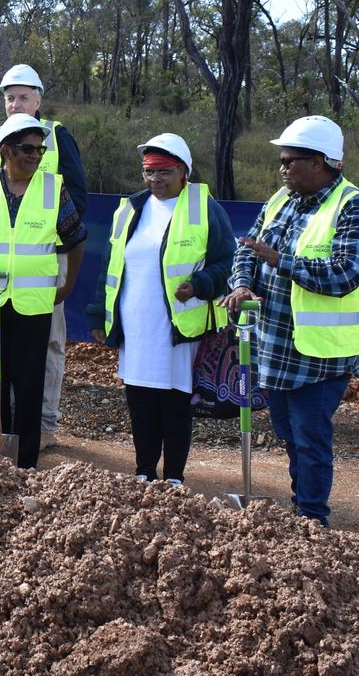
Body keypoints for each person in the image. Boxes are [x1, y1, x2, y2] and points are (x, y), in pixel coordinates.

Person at [220, 115, 359, 527]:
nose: (283, 168)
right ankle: (301, 506)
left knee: (310, 438)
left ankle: (313, 519)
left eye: (291, 161)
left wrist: (280, 260)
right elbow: (246, 249)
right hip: (274, 347)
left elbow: (346, 273)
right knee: (289, 434)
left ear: (322, 163)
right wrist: (242, 284)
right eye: (283, 161)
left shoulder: (356, 208)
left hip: (320, 353)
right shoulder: (281, 200)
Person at [87, 133, 235, 485]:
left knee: (174, 400)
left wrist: (200, 285)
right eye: (149, 172)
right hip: (135, 324)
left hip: (177, 328)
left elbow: (227, 260)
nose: (155, 179)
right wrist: (98, 314)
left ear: (183, 171)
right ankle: (143, 470)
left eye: (164, 172)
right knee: (139, 399)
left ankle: (173, 476)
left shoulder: (203, 208)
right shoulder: (131, 209)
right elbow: (110, 266)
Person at [0, 113, 86, 469]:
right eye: (27, 149)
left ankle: (25, 460)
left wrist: (67, 285)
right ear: (6, 150)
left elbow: (76, 239)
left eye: (39, 150)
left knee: (29, 383)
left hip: (34, 304)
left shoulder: (52, 188)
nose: (35, 156)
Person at [0, 64, 89, 451]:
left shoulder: (57, 136)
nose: (15, 103)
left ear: (38, 100)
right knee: (1, 346)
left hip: (45, 258)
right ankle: (4, 424)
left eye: (23, 96)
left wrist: (54, 251)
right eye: (9, 97)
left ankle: (43, 426)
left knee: (48, 345)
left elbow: (77, 196)